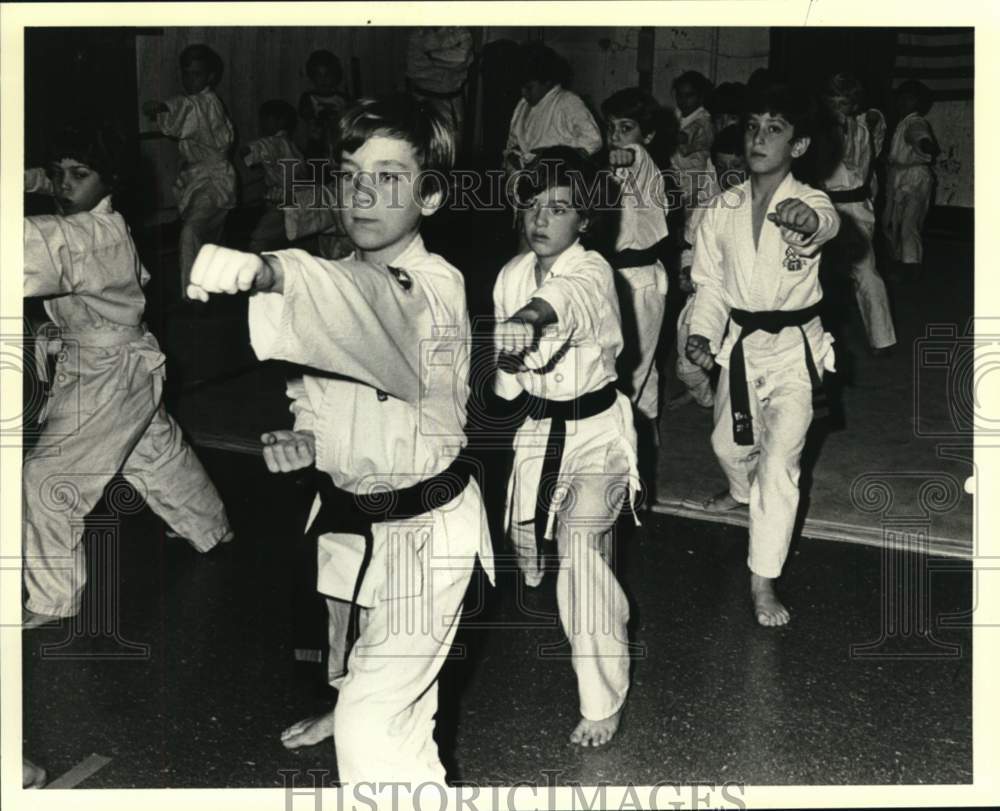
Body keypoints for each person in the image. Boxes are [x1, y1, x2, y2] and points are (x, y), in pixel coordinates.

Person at [186, 94, 494, 784]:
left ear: (433, 196)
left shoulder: (433, 289)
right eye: (353, 174)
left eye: (390, 177)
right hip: (358, 521)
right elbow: (319, 399)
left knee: (370, 723)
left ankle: (363, 713)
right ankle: (362, 701)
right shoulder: (348, 270)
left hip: (424, 534)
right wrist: (305, 442)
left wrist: (274, 272)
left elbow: (372, 301)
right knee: (376, 687)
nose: (364, 192)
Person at [22, 121, 233, 628]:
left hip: (109, 372)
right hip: (127, 363)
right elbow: (54, 193)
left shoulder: (86, 236)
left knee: (47, 477)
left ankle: (52, 598)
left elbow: (32, 246)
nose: (65, 185)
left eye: (79, 174)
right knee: (154, 452)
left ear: (110, 179)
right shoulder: (105, 221)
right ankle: (210, 526)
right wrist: (37, 180)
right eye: (58, 174)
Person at [493, 146, 638, 747]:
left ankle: (603, 699)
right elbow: (506, 374)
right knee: (529, 543)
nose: (541, 218)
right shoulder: (509, 274)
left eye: (559, 208)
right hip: (537, 433)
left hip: (598, 435)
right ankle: (551, 567)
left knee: (580, 553)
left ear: (585, 220)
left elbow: (564, 303)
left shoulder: (593, 270)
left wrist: (530, 318)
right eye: (533, 204)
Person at [685, 84, 840, 627]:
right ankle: (736, 489)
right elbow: (708, 286)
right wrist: (702, 334)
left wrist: (807, 221)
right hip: (742, 348)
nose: (758, 138)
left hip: (797, 353)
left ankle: (763, 579)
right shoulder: (720, 210)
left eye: (775, 129)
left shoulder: (810, 199)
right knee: (728, 445)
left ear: (797, 146)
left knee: (779, 464)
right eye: (753, 126)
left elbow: (825, 224)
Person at [601, 88, 670, 450]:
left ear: (648, 135)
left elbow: (631, 154)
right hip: (622, 274)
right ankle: (648, 432)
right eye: (610, 126)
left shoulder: (641, 160)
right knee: (643, 362)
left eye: (626, 126)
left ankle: (625, 438)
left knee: (631, 366)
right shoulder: (615, 170)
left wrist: (620, 151)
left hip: (639, 279)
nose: (615, 135)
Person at [143, 44, 236, 298]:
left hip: (215, 180)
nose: (188, 80)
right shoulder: (200, 103)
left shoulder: (207, 103)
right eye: (185, 73)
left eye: (196, 74)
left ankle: (191, 293)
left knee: (191, 232)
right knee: (207, 235)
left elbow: (187, 107)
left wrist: (163, 108)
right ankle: (213, 286)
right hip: (197, 177)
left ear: (210, 77)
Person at [668, 123, 747, 411]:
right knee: (687, 361)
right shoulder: (709, 204)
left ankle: (729, 405)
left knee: (736, 364)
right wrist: (687, 270)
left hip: (740, 302)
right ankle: (704, 395)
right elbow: (690, 245)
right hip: (702, 296)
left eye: (737, 165)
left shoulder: (759, 206)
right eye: (722, 166)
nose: (729, 174)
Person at [821, 73, 896, 355]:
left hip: (851, 207)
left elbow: (851, 157)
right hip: (828, 204)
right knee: (814, 272)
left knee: (865, 270)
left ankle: (882, 339)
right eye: (832, 100)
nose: (836, 106)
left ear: (852, 104)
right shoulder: (830, 128)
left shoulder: (856, 129)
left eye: (842, 102)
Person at [504, 42, 602, 174]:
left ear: (547, 81)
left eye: (529, 88)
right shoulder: (522, 106)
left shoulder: (568, 102)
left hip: (558, 178)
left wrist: (550, 155)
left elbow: (594, 140)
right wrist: (512, 154)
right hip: (526, 179)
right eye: (520, 87)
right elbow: (513, 140)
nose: (523, 93)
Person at [883, 79, 939, 280]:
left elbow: (919, 137)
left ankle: (911, 267)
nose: (903, 102)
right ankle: (900, 263)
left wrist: (925, 145)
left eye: (909, 98)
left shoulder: (915, 122)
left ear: (918, 102)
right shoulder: (903, 122)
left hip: (914, 178)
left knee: (909, 224)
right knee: (894, 222)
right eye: (902, 97)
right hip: (901, 176)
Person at [240, 99, 304, 253]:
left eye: (264, 120)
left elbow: (257, 149)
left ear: (278, 121)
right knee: (289, 238)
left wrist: (245, 152)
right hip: (299, 199)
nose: (261, 124)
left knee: (259, 239)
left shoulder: (275, 142)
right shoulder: (292, 145)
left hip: (282, 202)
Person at [405, 27, 474, 152]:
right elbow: (418, 61)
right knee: (422, 149)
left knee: (452, 149)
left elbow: (462, 58)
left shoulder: (459, 29)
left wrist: (431, 55)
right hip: (422, 101)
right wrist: (449, 53)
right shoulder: (419, 34)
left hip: (453, 102)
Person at [671, 70, 715, 212]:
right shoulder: (677, 114)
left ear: (700, 96)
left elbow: (684, 143)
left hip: (695, 183)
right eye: (679, 95)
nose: (683, 100)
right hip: (677, 180)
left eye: (689, 96)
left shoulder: (703, 120)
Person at [298, 49, 351, 162]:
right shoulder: (308, 97)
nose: (323, 79)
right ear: (312, 76)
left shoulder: (342, 98)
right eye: (319, 75)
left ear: (335, 76)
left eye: (327, 75)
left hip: (339, 142)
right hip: (317, 145)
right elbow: (308, 118)